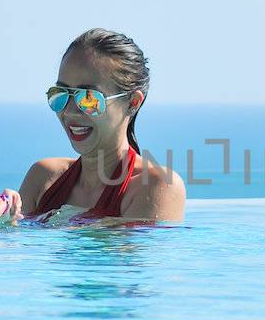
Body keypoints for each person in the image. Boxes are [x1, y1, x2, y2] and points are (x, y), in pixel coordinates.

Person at [20, 28, 185, 222]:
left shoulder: (156, 186)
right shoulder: (43, 178)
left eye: (89, 98)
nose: (70, 111)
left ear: (132, 103)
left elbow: (120, 252)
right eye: (61, 94)